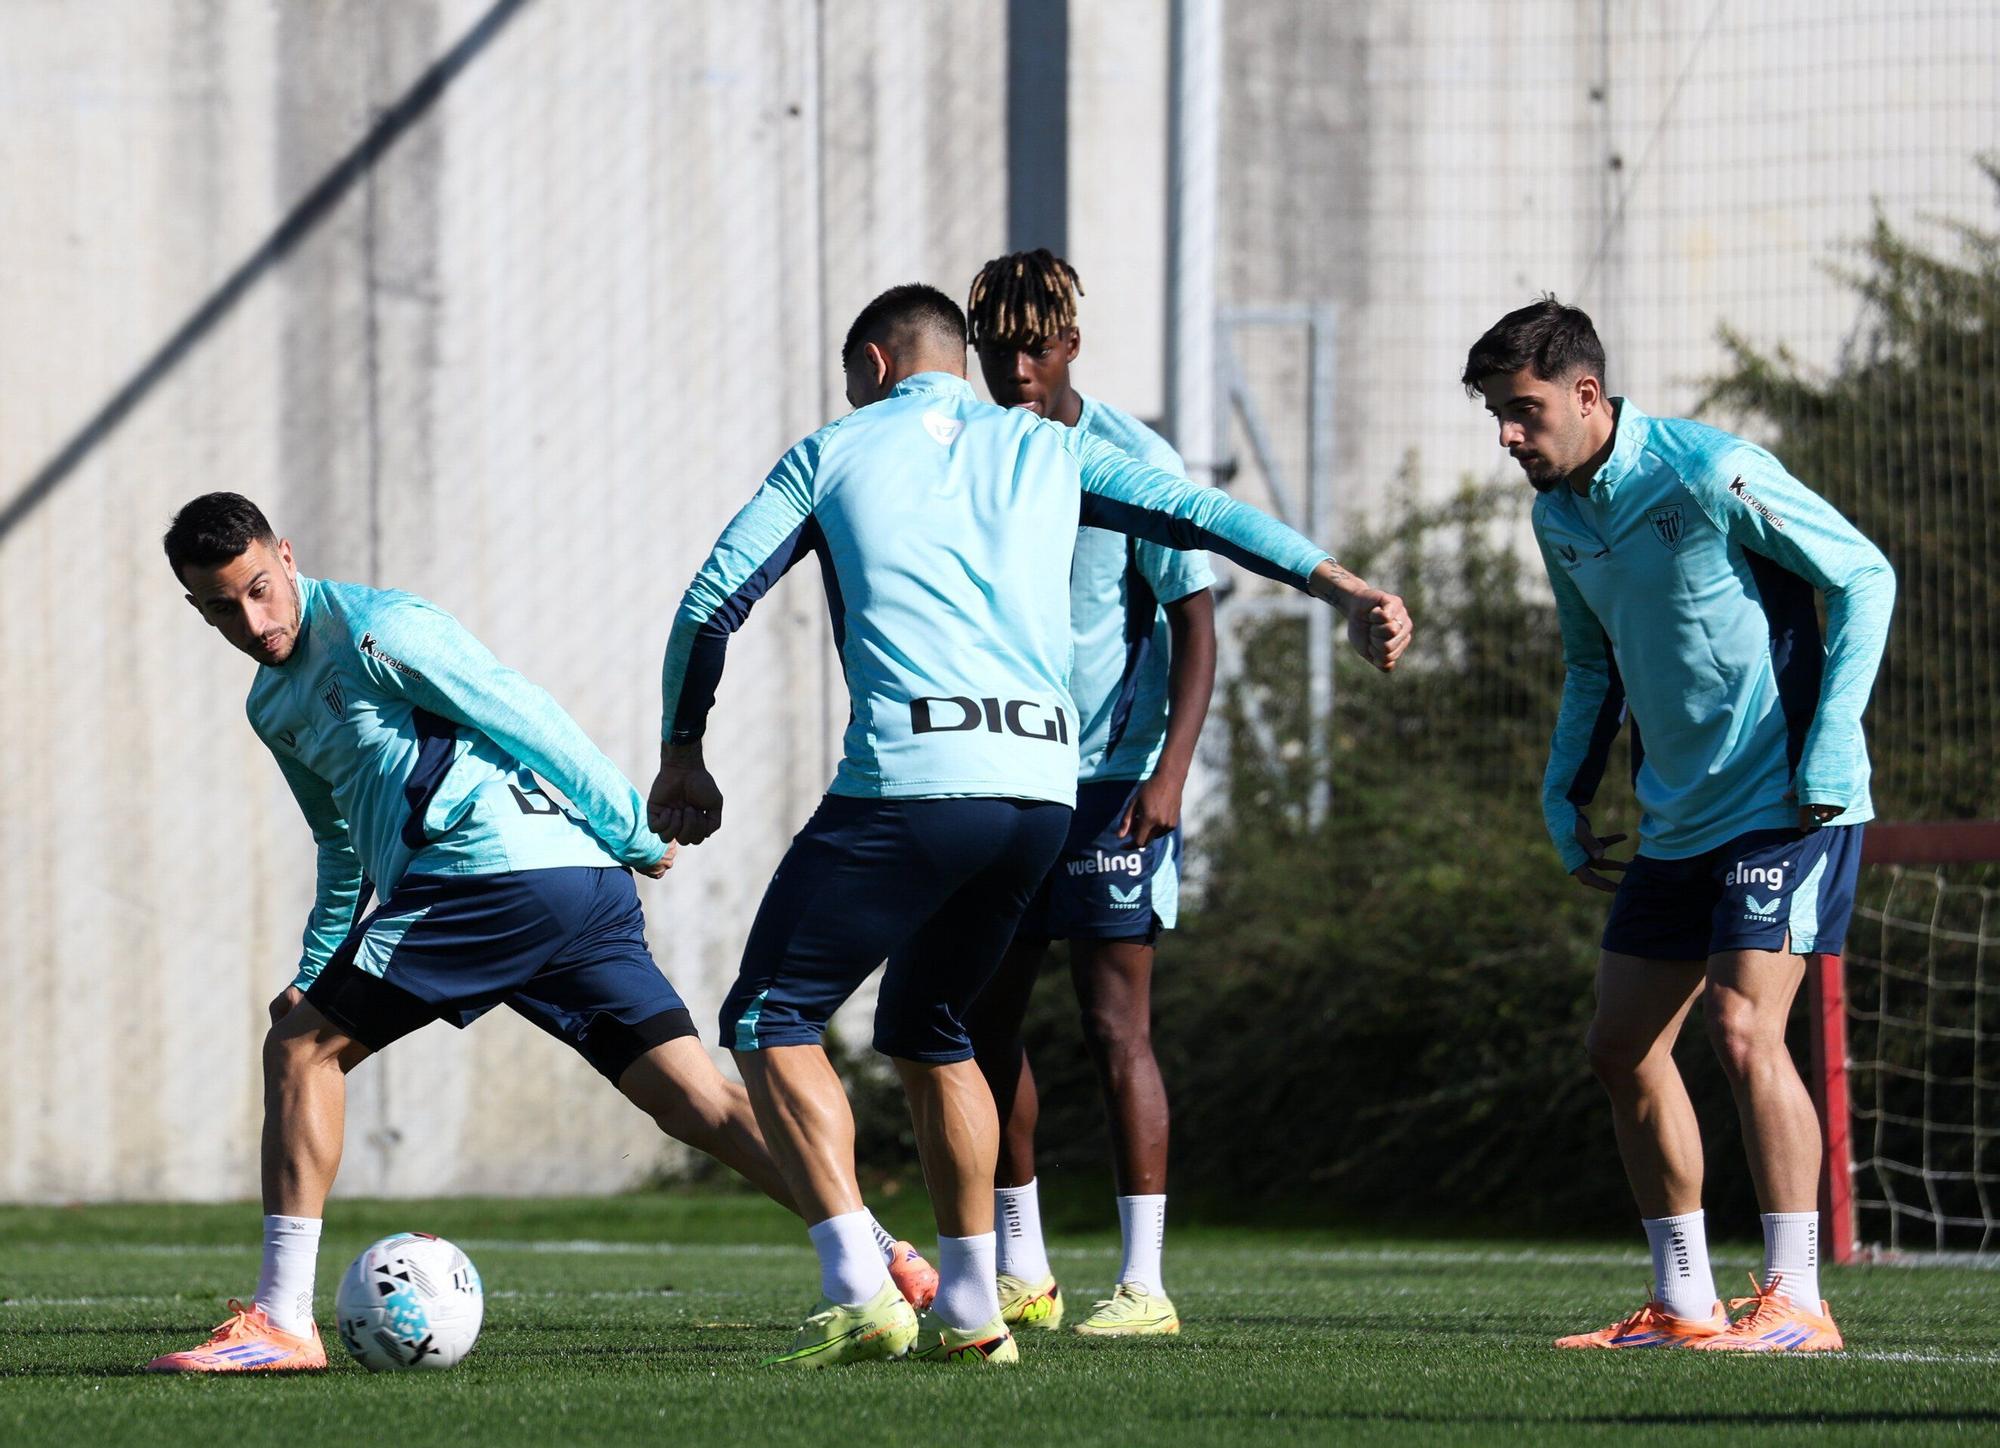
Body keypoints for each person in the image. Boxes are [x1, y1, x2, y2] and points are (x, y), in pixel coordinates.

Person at [648, 284, 1410, 1366]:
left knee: (771, 1014)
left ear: (870, 364)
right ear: (959, 360)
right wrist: (1338, 585)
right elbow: (1204, 516)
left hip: (910, 781)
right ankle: (970, 1308)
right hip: (1043, 794)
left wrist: (684, 746)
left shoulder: (833, 450)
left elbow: (708, 601)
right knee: (930, 1028)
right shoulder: (1051, 447)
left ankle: (859, 1283)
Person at [146, 493, 933, 1373]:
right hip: (559, 894)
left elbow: (519, 710)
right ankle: (879, 1251)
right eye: (222, 607)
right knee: (694, 1100)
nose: (251, 621)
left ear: (286, 556)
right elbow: (339, 841)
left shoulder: (380, 627)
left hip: (494, 877)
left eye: (259, 589)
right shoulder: (272, 706)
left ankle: (282, 1318)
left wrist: (632, 827)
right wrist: (317, 962)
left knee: (300, 1053)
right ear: (196, 606)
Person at [1463, 297, 1895, 1352]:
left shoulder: (1707, 470)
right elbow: (1587, 661)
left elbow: (1862, 573)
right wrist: (1561, 787)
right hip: (1675, 821)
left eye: (1521, 411)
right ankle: (1685, 1302)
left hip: (1785, 802)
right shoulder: (1556, 515)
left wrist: (1831, 739)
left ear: (1582, 392)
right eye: (1494, 417)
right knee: (1619, 1049)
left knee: (1744, 1029)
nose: (1508, 437)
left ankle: (1796, 1299)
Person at [960, 249, 1213, 1338]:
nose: (1018, 366)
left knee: (1115, 1027)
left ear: (1071, 341)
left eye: (1036, 343)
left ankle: (1143, 1284)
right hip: (995, 773)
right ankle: (1024, 1268)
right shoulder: (962, 457)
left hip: (1110, 780)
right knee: (981, 1020)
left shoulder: (1127, 458)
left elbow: (1197, 622)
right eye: (997, 348)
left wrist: (1168, 774)